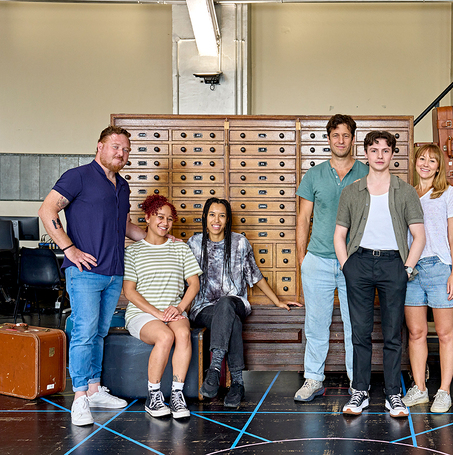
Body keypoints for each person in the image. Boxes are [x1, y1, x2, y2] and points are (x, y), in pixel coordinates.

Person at [38, 126, 146, 426]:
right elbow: (47, 210)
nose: (121, 153)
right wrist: (69, 248)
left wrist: (158, 238)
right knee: (84, 333)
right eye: (115, 147)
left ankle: (96, 389)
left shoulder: (122, 187)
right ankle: (80, 398)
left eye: (125, 149)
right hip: (84, 272)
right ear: (99, 146)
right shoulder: (78, 176)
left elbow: (126, 228)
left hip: (113, 272)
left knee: (99, 332)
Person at [334, 130, 425, 418]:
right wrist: (347, 266)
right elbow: (339, 234)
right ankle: (359, 391)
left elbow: (419, 236)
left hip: (393, 265)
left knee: (392, 334)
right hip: (359, 262)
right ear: (366, 154)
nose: (380, 156)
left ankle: (393, 394)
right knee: (359, 332)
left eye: (386, 151)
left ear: (392, 155)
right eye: (374, 151)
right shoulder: (352, 191)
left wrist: (407, 269)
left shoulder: (406, 191)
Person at [188, 198, 301, 408]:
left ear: (228, 219)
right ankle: (238, 383)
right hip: (203, 308)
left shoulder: (239, 242)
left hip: (236, 302)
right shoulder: (194, 244)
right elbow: (183, 279)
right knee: (232, 321)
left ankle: (214, 369)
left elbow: (254, 276)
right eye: (212, 214)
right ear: (204, 217)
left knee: (226, 304)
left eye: (222, 215)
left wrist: (277, 300)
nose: (216, 220)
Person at [294, 114, 369, 402]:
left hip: (355, 261)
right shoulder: (314, 175)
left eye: (346, 135)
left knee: (356, 324)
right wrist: (302, 257)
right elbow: (303, 219)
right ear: (328, 139)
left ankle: (357, 383)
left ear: (353, 139)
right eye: (335, 135)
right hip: (319, 260)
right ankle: (313, 379)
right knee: (315, 323)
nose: (340, 140)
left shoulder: (366, 172)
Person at [122, 195, 202, 419]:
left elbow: (194, 284)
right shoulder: (133, 252)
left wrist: (179, 308)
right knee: (165, 336)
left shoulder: (180, 248)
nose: (165, 223)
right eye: (160, 217)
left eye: (169, 219)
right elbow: (129, 292)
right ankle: (154, 396)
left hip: (174, 310)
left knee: (183, 333)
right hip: (142, 314)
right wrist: (157, 313)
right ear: (147, 218)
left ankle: (177, 395)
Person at [401, 144, 453, 414]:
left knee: (445, 334)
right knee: (416, 334)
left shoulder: (448, 194)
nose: (426, 163)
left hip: (440, 268)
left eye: (432, 160)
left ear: (439, 166)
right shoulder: (406, 194)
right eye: (422, 158)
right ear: (415, 162)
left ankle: (444, 391)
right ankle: (420, 389)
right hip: (411, 270)